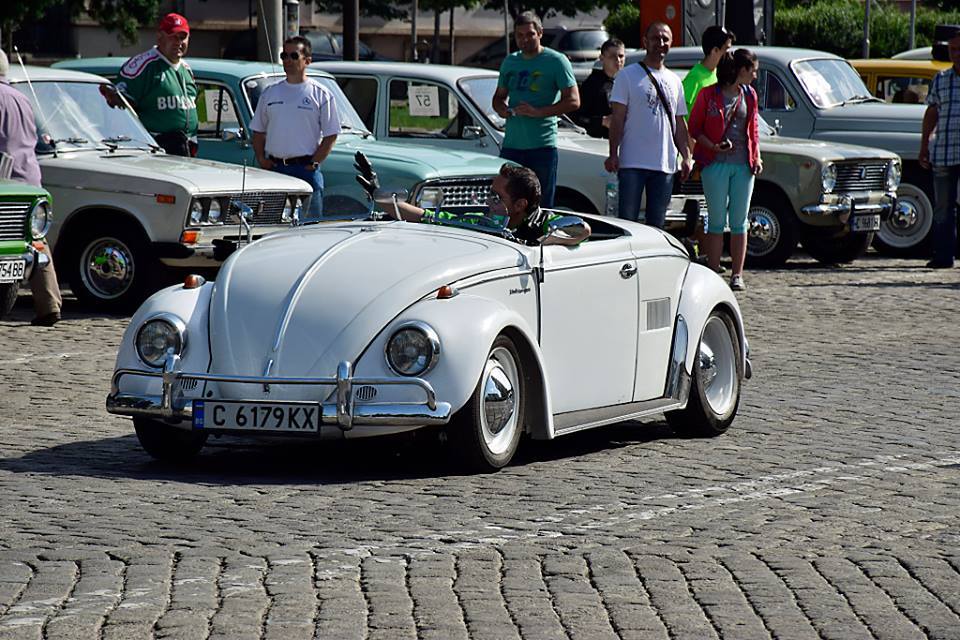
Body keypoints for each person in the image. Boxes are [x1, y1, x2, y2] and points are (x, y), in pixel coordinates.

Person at [605, 22, 693, 228]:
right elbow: (617, 119)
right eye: (655, 38)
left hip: (664, 165)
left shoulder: (675, 80)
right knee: (627, 224)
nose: (660, 43)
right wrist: (613, 153)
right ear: (645, 42)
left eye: (665, 39)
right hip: (632, 163)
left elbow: (680, 123)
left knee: (657, 226)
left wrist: (687, 156)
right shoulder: (627, 75)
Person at [689, 49, 762, 291]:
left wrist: (757, 156)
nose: (754, 75)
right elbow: (694, 128)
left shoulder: (749, 95)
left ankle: (737, 274)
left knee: (740, 221)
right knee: (717, 220)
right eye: (753, 70)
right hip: (715, 164)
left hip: (743, 165)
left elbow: (753, 129)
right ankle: (713, 271)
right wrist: (713, 146)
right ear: (741, 70)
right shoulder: (708, 94)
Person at [492, 11, 580, 209]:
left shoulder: (556, 61)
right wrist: (502, 109)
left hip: (542, 147)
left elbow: (574, 101)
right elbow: (498, 98)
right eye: (519, 35)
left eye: (530, 34)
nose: (524, 39)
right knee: (505, 202)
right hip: (512, 146)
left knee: (540, 204)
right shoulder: (510, 61)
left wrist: (538, 112)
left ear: (540, 33)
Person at [382, 163, 590, 246]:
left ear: (520, 205)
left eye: (497, 198)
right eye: (490, 195)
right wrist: (381, 199)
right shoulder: (482, 222)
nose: (489, 202)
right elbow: (425, 216)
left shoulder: (542, 223)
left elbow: (584, 230)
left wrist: (543, 242)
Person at [0, 51, 62, 326]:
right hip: (28, 175)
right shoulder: (21, 97)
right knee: (34, 240)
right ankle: (50, 305)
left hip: (5, 178)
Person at [250, 36, 339, 221]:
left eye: (293, 55)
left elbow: (331, 134)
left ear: (307, 61)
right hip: (275, 170)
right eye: (284, 56)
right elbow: (258, 130)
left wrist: (314, 163)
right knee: (271, 226)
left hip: (306, 171)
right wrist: (261, 159)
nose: (288, 60)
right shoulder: (270, 93)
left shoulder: (321, 94)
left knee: (310, 228)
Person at [112, 13, 199, 157]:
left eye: (182, 37)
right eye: (173, 36)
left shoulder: (186, 69)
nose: (178, 42)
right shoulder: (142, 66)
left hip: (187, 149)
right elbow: (120, 109)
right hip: (156, 151)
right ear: (160, 36)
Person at [919, 28, 960, 269]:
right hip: (944, 151)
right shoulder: (941, 79)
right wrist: (924, 144)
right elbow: (932, 112)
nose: (956, 54)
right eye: (953, 50)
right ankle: (943, 256)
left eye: (959, 49)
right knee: (943, 208)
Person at [574, 38, 625, 138]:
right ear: (602, 58)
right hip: (598, 141)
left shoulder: (627, 81)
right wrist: (602, 121)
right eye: (612, 56)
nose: (618, 60)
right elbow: (576, 117)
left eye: (621, 56)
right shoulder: (592, 84)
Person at [682, 25, 735, 114]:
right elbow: (679, 113)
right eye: (726, 49)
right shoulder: (694, 77)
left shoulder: (719, 74)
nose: (730, 54)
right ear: (715, 50)